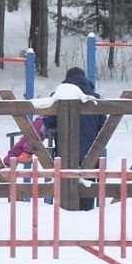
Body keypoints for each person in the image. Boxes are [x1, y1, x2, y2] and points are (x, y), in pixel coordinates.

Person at [44, 67, 106, 210]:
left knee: (63, 185)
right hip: (90, 153)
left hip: (63, 154)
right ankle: (87, 211)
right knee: (88, 185)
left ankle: (64, 211)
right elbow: (103, 126)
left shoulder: (57, 96)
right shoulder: (94, 99)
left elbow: (49, 123)